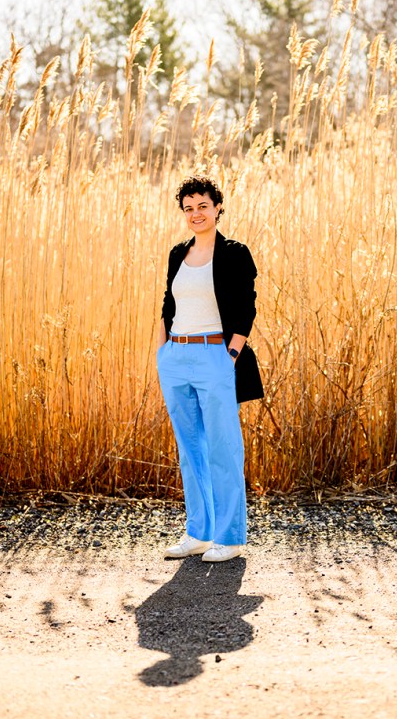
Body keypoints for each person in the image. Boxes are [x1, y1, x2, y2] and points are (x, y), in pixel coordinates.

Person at [156, 176, 263, 563]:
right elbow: (168, 305)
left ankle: (230, 538)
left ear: (218, 207)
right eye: (188, 208)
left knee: (223, 447)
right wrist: (162, 351)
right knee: (190, 450)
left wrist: (230, 354)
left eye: (202, 205)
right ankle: (199, 533)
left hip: (215, 355)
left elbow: (248, 306)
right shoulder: (177, 254)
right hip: (176, 357)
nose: (195, 214)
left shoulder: (234, 253)